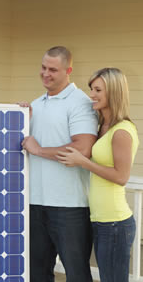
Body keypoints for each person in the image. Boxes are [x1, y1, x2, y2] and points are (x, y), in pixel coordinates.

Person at [20, 46, 98, 282]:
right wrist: (19, 119)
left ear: (68, 70)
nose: (46, 73)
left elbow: (83, 149)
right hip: (34, 204)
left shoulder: (80, 103)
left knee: (76, 274)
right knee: (37, 274)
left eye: (53, 69)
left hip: (69, 207)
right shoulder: (36, 104)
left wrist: (39, 150)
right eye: (43, 67)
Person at [56, 67, 138, 282]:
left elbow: (121, 177)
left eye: (98, 90)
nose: (91, 94)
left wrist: (83, 162)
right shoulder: (102, 126)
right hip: (100, 221)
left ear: (114, 92)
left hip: (115, 223)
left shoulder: (121, 131)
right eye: (91, 88)